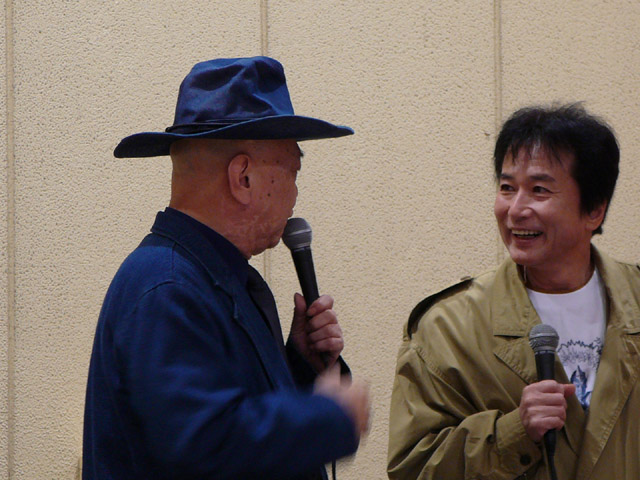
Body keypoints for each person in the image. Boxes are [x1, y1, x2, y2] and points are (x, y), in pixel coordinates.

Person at [83, 56, 370, 480]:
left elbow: (226, 412)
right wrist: (328, 417)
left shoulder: (208, 277)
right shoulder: (167, 287)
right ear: (244, 178)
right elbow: (204, 443)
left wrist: (298, 366)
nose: (295, 194)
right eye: (293, 171)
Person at [388, 104, 640, 479]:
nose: (516, 210)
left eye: (539, 190)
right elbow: (413, 468)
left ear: (594, 210)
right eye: (507, 188)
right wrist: (512, 434)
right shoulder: (447, 329)